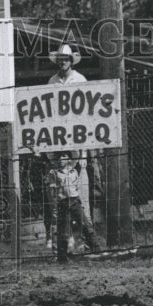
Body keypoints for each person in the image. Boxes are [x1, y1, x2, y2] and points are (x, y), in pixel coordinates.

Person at [48, 43, 97, 252]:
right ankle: (65, 242)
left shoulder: (80, 80)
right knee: (60, 193)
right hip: (60, 142)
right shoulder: (52, 81)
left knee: (80, 193)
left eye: (66, 58)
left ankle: (83, 240)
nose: (63, 61)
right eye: (60, 58)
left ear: (71, 61)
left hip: (78, 140)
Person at [49, 151, 101, 264]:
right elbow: (53, 190)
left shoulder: (74, 171)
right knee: (63, 230)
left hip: (74, 200)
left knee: (85, 224)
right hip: (62, 202)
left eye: (63, 156)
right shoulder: (53, 172)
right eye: (59, 157)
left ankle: (97, 250)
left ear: (69, 159)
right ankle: (62, 257)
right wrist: (55, 203)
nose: (61, 159)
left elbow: (76, 186)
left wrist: (78, 200)